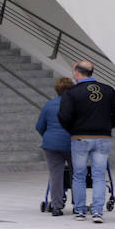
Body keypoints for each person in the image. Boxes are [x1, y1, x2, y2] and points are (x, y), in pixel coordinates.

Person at [58, 60, 115, 223]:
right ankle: (97, 212)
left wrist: (73, 130)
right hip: (103, 138)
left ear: (77, 72)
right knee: (98, 176)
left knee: (79, 176)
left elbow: (64, 116)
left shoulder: (72, 92)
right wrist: (108, 126)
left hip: (80, 138)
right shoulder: (108, 90)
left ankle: (81, 211)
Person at [35, 77, 74, 216]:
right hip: (72, 144)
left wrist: (49, 136)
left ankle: (57, 207)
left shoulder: (48, 105)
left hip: (51, 145)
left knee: (56, 175)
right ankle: (78, 206)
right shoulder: (76, 105)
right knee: (76, 175)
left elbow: (39, 126)